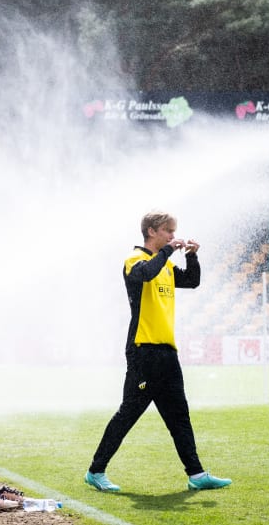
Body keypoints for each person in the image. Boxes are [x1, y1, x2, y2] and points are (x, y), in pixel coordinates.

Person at [84, 210, 231, 492]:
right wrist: (166, 251)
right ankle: (95, 471)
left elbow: (191, 281)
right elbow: (145, 274)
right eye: (168, 231)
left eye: (174, 232)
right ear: (151, 231)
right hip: (143, 350)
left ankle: (197, 475)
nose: (173, 237)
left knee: (180, 416)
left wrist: (191, 256)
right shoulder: (135, 260)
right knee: (129, 413)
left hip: (166, 351)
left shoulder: (163, 263)